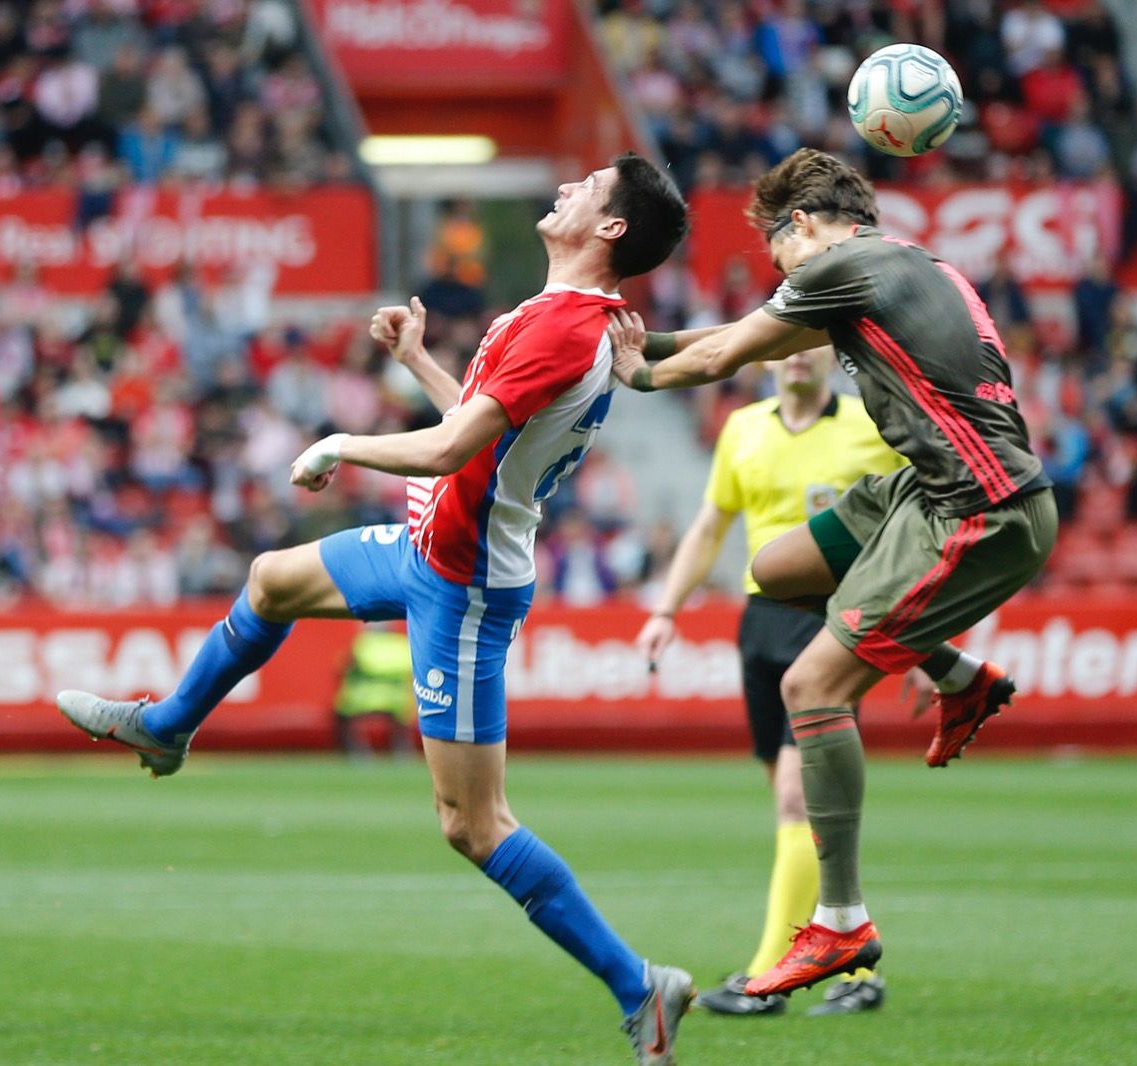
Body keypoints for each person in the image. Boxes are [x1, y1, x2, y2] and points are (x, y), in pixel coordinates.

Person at [56, 154, 697, 1065]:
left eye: (587, 188)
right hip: (431, 546)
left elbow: (449, 454)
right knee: (272, 580)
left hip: (465, 580)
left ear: (611, 230)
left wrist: (341, 445)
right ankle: (166, 728)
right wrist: (421, 362)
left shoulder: (562, 327)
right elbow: (483, 432)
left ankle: (642, 988)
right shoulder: (556, 316)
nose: (565, 188)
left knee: (473, 824)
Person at [611, 147, 1056, 1000]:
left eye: (777, 254)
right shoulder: (897, 267)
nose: (778, 274)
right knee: (775, 569)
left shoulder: (846, 268)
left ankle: (841, 923)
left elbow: (721, 359)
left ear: (804, 227)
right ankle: (960, 675)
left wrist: (638, 369)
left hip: (980, 509)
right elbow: (746, 336)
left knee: (812, 688)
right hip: (928, 489)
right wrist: (654, 337)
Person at [638, 344, 928, 1018]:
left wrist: (915, 635)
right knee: (806, 812)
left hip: (834, 620)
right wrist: (664, 609)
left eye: (812, 344)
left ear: (833, 356)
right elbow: (712, 524)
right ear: (767, 359)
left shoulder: (870, 428)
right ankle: (856, 966)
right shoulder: (743, 428)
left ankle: (769, 974)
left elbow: (915, 529)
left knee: (799, 802)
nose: (798, 356)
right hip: (761, 624)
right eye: (785, 346)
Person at [333, 625, 416, 759]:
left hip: (363, 701)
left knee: (340, 715)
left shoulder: (363, 644)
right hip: (396, 702)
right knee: (400, 723)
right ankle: (402, 750)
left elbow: (343, 667)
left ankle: (357, 753)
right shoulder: (402, 645)